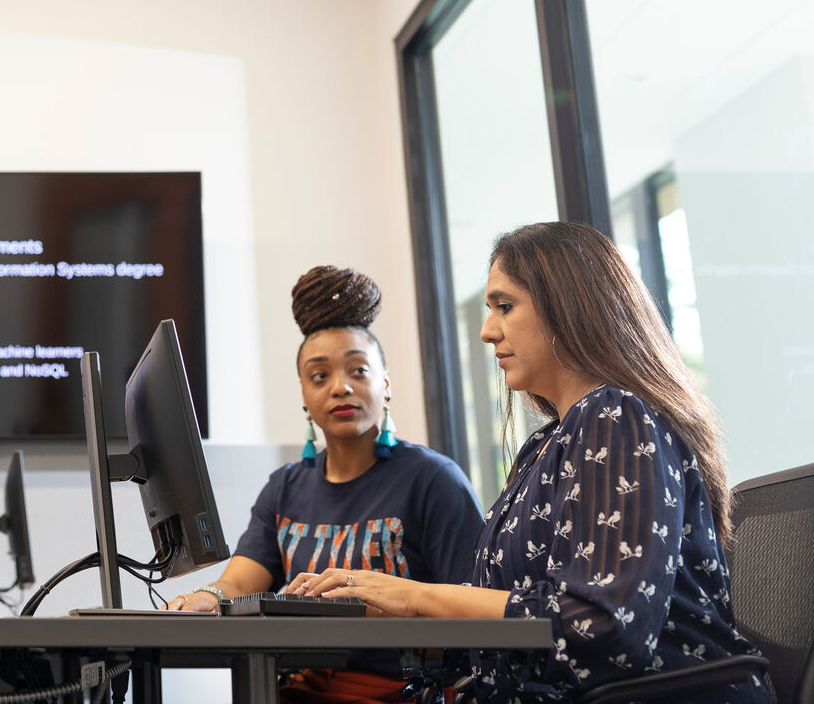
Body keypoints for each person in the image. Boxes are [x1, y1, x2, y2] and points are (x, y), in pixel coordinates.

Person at [289, 222, 773, 702]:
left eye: (504, 306)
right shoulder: (549, 443)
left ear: (567, 304)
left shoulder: (616, 416)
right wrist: (373, 604)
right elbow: (505, 623)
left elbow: (602, 628)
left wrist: (416, 597)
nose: (486, 330)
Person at [168, 265, 484, 702]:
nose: (340, 387)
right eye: (320, 376)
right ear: (303, 394)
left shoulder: (433, 480)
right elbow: (241, 582)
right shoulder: (284, 488)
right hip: (302, 687)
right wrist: (207, 595)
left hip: (404, 691)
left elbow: (470, 608)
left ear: (385, 384)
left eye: (358, 371)